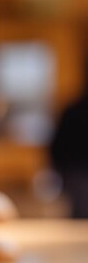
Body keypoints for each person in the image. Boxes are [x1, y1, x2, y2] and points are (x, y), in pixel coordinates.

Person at [50, 58, 88, 218]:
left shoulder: (72, 109)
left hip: (75, 174)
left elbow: (56, 147)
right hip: (78, 175)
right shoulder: (73, 109)